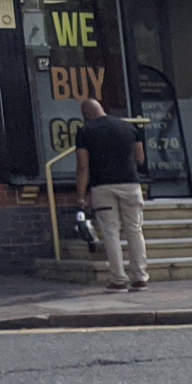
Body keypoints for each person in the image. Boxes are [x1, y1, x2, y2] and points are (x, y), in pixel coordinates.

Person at [73, 98, 148, 291]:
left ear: (85, 114)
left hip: (102, 187)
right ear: (102, 108)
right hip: (131, 184)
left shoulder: (85, 132)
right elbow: (140, 159)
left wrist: (81, 195)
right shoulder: (129, 128)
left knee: (110, 233)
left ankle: (119, 279)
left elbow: (83, 166)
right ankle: (140, 277)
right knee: (134, 230)